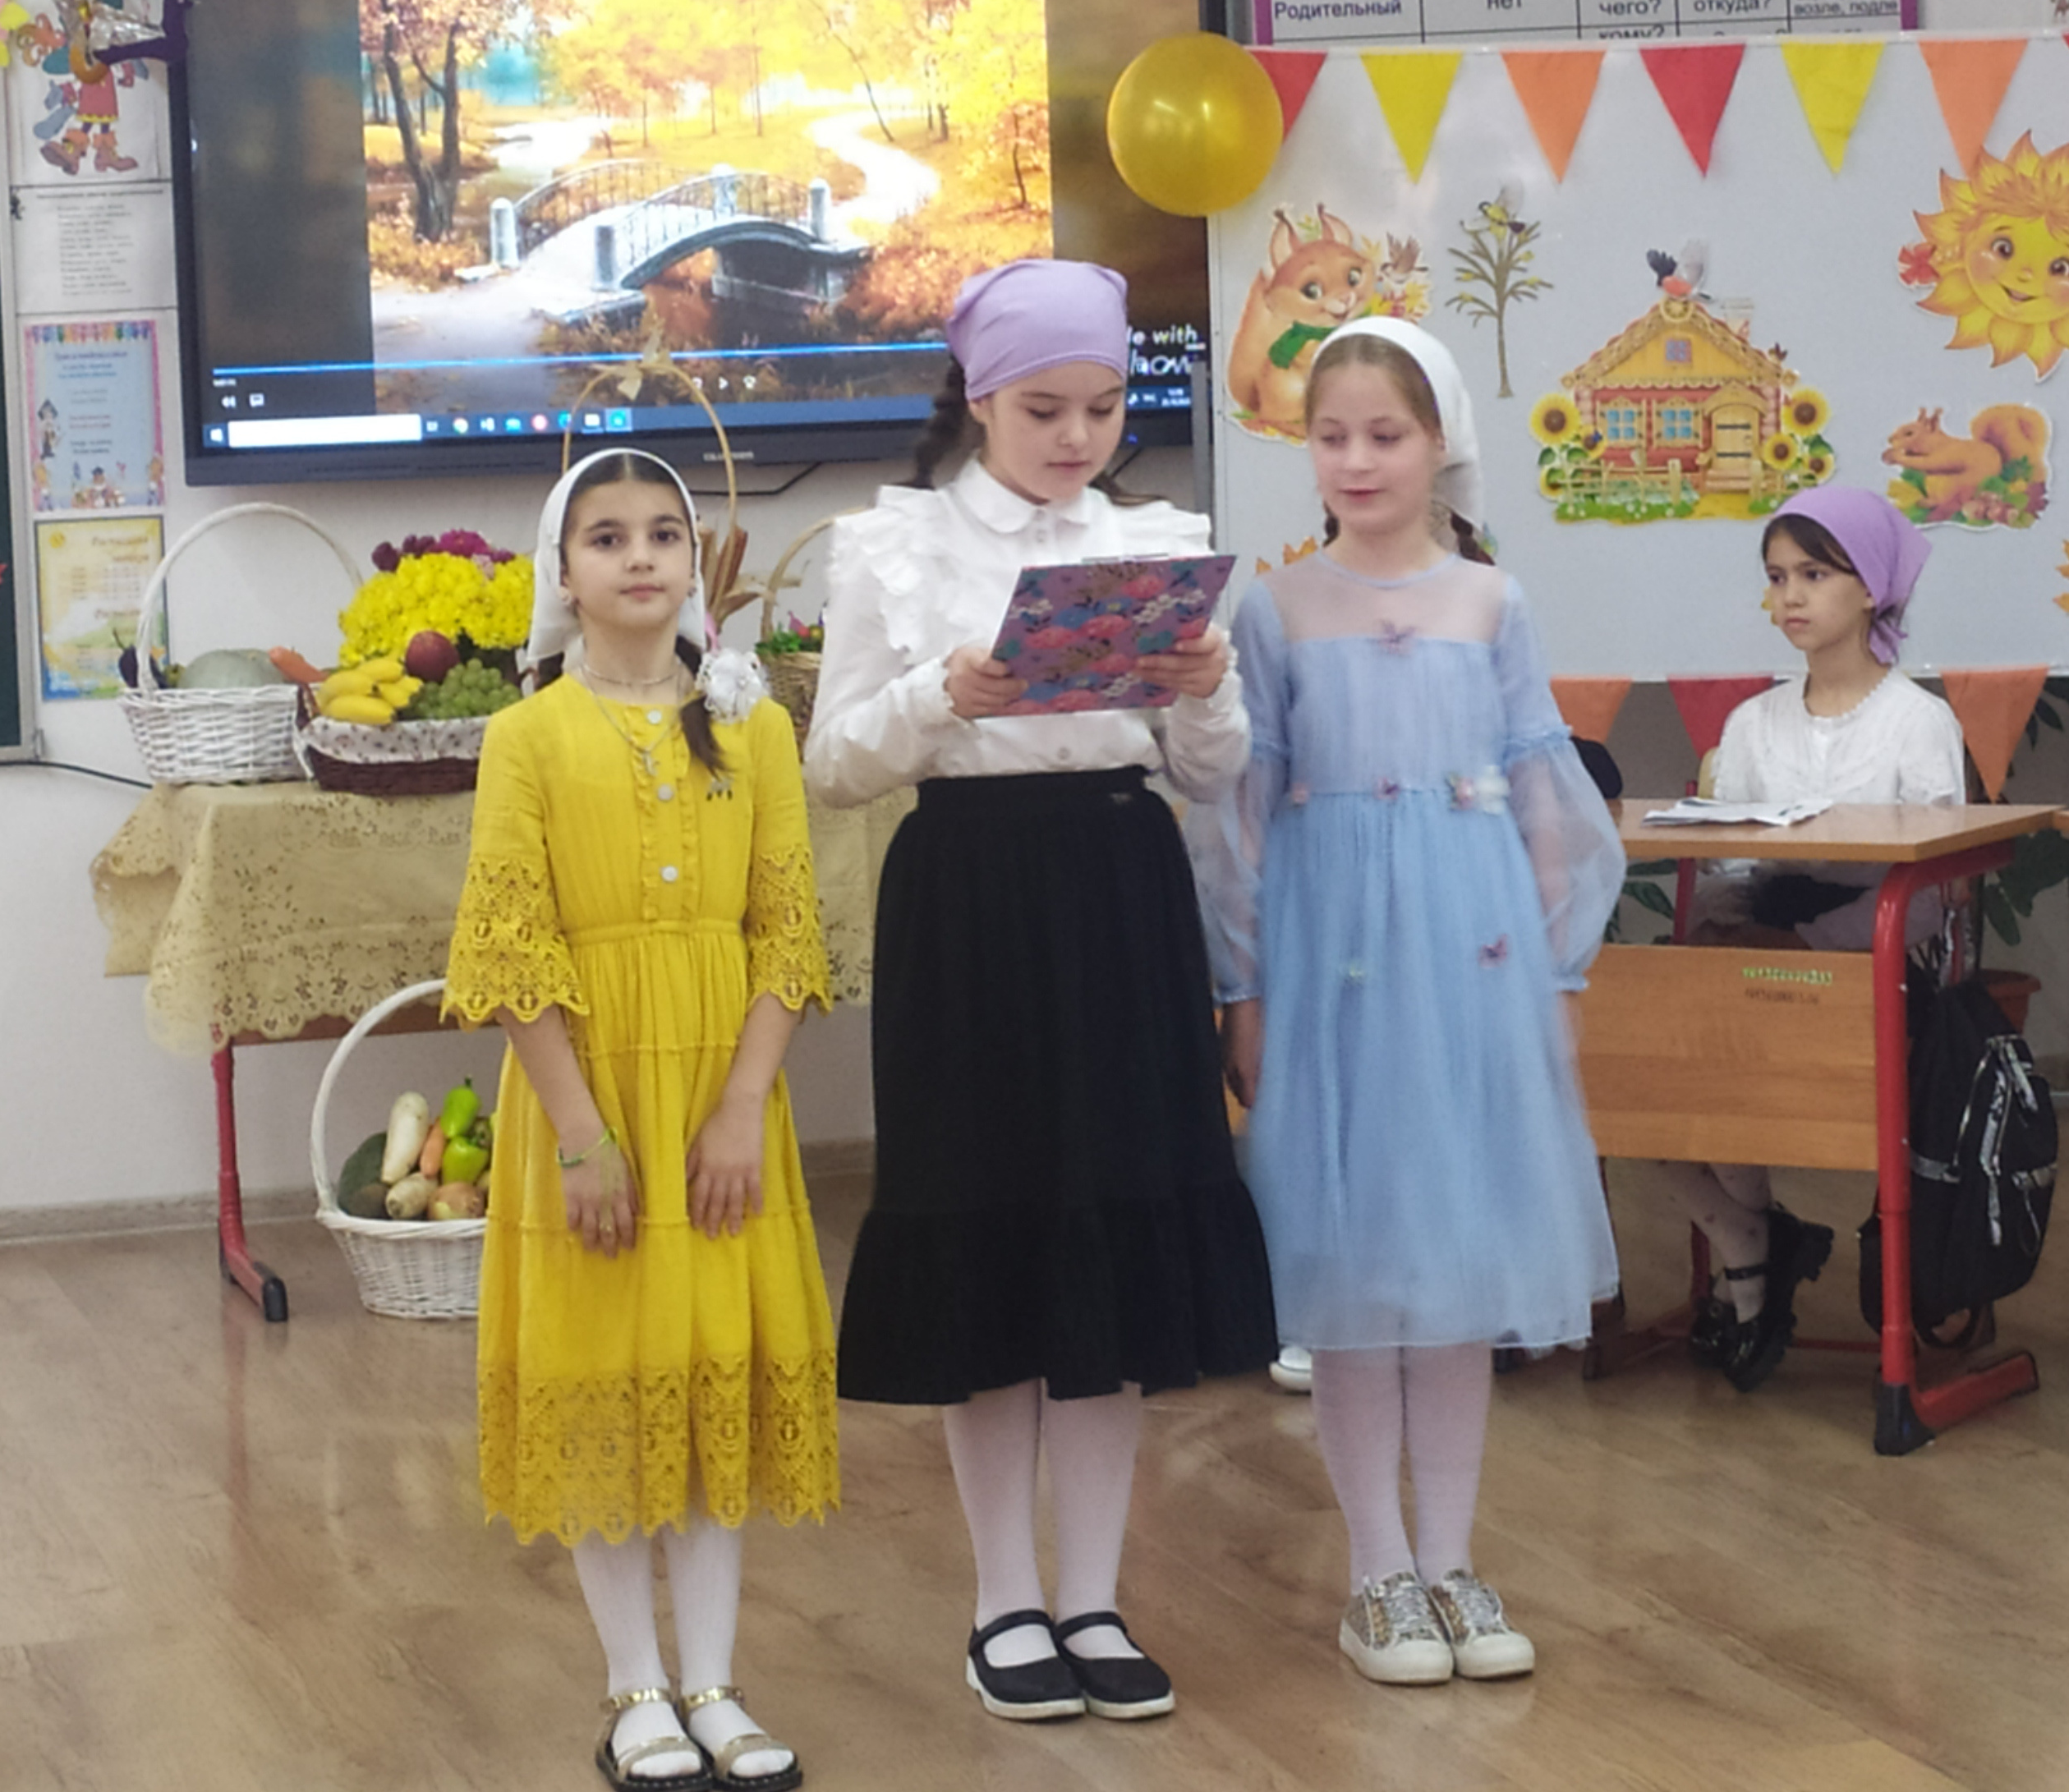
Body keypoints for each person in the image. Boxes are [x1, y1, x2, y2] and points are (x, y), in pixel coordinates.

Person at [803, 259, 1274, 1727]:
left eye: (1102, 407)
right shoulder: (893, 544)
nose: (1077, 437)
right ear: (980, 398)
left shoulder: (1155, 542)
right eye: (1043, 409)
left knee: (1113, 1232)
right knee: (988, 1227)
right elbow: (834, 766)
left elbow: (1213, 772)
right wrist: (942, 694)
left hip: (1122, 892)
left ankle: (1096, 1597)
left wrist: (1203, 683)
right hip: (969, 900)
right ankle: (1005, 1598)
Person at [1195, 321, 1620, 1687]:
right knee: (1354, 1267)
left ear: (1439, 444)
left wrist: (1552, 970)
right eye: (1332, 437)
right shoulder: (1274, 609)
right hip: (1332, 966)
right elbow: (1243, 815)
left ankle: (1452, 1561)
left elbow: (1545, 796)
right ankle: (1375, 1571)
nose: (1357, 460)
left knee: (1452, 1270)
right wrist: (1246, 985)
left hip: (1469, 961)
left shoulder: (1491, 603)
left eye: (1385, 435)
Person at [447, 448, 834, 1791]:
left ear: (692, 563)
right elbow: (509, 951)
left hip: (723, 1106)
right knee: (608, 1386)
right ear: (562, 574)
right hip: (593, 1101)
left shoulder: (755, 726)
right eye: (606, 537)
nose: (640, 557)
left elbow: (788, 933)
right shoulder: (526, 737)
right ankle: (635, 1690)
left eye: (664, 533)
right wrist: (578, 1135)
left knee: (707, 1368)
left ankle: (715, 1683)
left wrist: (742, 1109)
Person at [1671, 488, 1965, 1390]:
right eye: (1776, 578)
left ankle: (1753, 1267)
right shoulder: (1752, 724)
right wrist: (1736, 929)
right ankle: (1751, 1238)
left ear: (1870, 587)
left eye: (1813, 574)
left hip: (1873, 968)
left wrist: (1803, 942)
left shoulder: (1919, 721)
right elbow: (1724, 868)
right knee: (1641, 1050)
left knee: (1728, 1027)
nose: (1790, 596)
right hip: (1763, 953)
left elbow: (1932, 896)